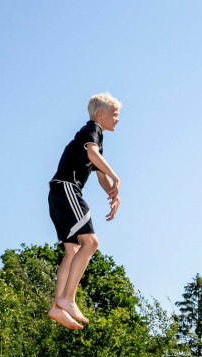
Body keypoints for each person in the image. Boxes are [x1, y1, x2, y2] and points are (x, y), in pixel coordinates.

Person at [47, 93, 122, 329]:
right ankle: (68, 299)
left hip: (58, 194)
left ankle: (57, 307)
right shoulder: (92, 130)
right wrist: (116, 177)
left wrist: (113, 194)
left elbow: (100, 177)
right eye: (115, 114)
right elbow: (92, 155)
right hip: (67, 189)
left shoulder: (95, 140)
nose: (117, 119)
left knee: (73, 251)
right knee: (91, 243)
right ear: (100, 114)